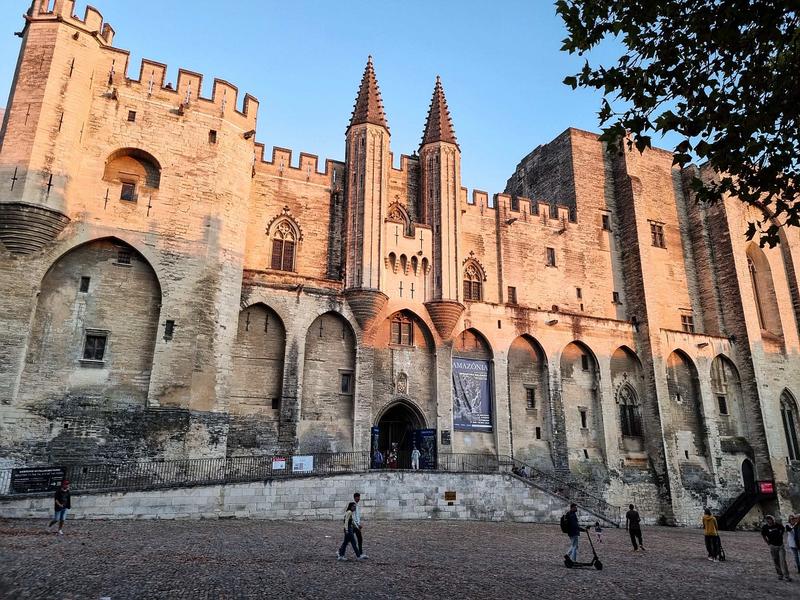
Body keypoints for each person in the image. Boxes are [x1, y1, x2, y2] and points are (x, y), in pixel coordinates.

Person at [762, 515, 792, 581]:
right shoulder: (765, 527)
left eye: (770, 519)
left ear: (773, 519)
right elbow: (763, 535)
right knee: (776, 560)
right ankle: (780, 574)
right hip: (772, 546)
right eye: (767, 520)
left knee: (783, 561)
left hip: (780, 545)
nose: (769, 521)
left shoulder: (778, 526)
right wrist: (768, 543)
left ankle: (786, 576)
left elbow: (782, 530)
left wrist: (780, 536)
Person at [352, 492, 367, 559]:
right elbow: (352, 516)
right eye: (357, 498)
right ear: (355, 497)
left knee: (359, 539)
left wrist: (359, 523)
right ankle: (360, 554)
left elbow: (357, 516)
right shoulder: (353, 505)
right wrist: (357, 524)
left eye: (359, 497)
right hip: (353, 525)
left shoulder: (357, 505)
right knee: (349, 540)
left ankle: (360, 553)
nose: (359, 499)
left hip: (356, 525)